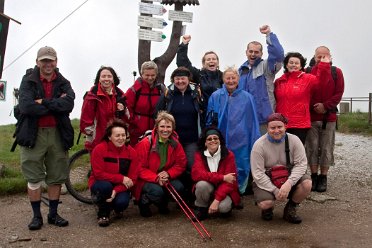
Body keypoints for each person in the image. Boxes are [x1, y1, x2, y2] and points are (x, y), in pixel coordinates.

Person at [16, 46, 75, 230]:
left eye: (51, 60)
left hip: (57, 133)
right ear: (37, 62)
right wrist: (56, 105)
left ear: (56, 62)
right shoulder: (28, 80)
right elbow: (26, 107)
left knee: (56, 176)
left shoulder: (64, 82)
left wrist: (44, 102)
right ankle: (36, 217)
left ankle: (53, 214)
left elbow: (69, 104)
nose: (48, 64)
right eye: (44, 60)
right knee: (33, 177)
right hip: (33, 134)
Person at [206, 66, 260, 194]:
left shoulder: (247, 97)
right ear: (223, 79)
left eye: (233, 78)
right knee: (221, 164)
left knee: (240, 165)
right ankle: (221, 191)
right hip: (221, 137)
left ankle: (238, 192)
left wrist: (254, 139)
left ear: (238, 79)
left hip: (242, 139)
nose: (230, 81)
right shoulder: (216, 96)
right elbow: (209, 119)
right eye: (227, 78)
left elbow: (253, 121)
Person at [250, 113, 312, 224]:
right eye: (272, 128)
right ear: (267, 128)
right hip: (267, 179)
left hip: (288, 176)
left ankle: (290, 208)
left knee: (307, 183)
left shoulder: (295, 140)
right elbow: (257, 173)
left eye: (280, 127)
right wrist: (275, 190)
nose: (276, 130)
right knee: (265, 203)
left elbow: (301, 165)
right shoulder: (258, 145)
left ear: (285, 127)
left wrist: (289, 183)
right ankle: (268, 209)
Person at [156, 66, 203, 202]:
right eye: (177, 79)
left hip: (192, 138)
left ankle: (190, 194)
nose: (180, 81)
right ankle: (176, 195)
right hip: (172, 138)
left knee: (191, 165)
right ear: (173, 80)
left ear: (188, 79)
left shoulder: (196, 93)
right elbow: (158, 113)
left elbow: (202, 112)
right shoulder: (167, 94)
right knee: (173, 165)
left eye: (183, 78)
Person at [305, 46, 345, 192]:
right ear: (314, 57)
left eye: (325, 56)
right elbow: (306, 91)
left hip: (329, 117)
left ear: (330, 56)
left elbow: (338, 93)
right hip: (311, 116)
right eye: (319, 56)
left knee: (327, 148)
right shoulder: (308, 72)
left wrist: (325, 106)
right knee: (312, 147)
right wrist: (314, 106)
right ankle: (314, 176)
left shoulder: (337, 72)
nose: (321, 59)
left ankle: (323, 177)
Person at [133, 111, 187, 217]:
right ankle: (143, 202)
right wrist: (156, 178)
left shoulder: (175, 143)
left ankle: (162, 203)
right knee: (157, 191)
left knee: (179, 187)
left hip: (165, 176)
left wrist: (168, 173)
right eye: (162, 126)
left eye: (168, 127)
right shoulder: (145, 143)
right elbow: (138, 168)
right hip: (147, 178)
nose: (165, 130)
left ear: (173, 128)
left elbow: (181, 164)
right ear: (156, 127)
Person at [88, 119, 138, 227]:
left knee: (122, 203)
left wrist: (116, 190)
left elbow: (133, 179)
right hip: (101, 183)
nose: (121, 138)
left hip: (120, 186)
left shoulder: (131, 152)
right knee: (105, 187)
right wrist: (121, 178)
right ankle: (103, 213)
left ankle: (115, 207)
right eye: (117, 135)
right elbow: (98, 174)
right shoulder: (99, 149)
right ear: (109, 137)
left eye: (123, 135)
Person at [238, 25, 284, 134]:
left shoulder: (266, 66)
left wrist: (269, 35)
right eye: (251, 51)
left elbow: (278, 55)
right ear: (246, 52)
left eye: (256, 52)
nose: (253, 54)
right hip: (245, 119)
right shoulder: (240, 71)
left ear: (261, 54)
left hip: (264, 119)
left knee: (266, 149)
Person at [191, 127, 241, 221]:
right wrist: (222, 177)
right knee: (201, 185)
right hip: (209, 186)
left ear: (219, 141)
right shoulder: (199, 155)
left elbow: (230, 181)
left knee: (223, 208)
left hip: (224, 189)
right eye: (209, 139)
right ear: (205, 142)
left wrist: (217, 200)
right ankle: (202, 210)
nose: (212, 140)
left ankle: (221, 205)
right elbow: (197, 175)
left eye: (215, 138)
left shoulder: (229, 155)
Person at [176, 34, 224, 124]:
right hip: (202, 115)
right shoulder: (199, 75)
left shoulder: (223, 76)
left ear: (217, 62)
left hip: (221, 115)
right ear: (203, 63)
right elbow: (183, 64)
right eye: (208, 59)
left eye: (214, 59)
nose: (211, 61)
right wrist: (184, 45)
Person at [274, 52, 319, 144]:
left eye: (296, 63)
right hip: (282, 123)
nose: (293, 65)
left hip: (300, 124)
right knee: (281, 152)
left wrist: (323, 64)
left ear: (301, 66)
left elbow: (322, 81)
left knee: (296, 152)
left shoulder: (309, 79)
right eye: (291, 62)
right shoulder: (278, 81)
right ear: (286, 65)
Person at [80, 66, 127, 151]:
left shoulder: (120, 95)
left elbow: (127, 117)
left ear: (113, 79)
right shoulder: (91, 96)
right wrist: (93, 134)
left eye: (109, 76)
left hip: (116, 139)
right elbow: (85, 120)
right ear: (99, 79)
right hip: (97, 139)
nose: (106, 79)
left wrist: (123, 109)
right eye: (103, 76)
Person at [125, 61, 165, 146]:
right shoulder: (134, 90)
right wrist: (133, 124)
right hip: (136, 132)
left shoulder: (161, 90)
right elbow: (127, 109)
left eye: (153, 75)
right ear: (141, 74)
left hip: (155, 131)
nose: (150, 78)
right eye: (147, 75)